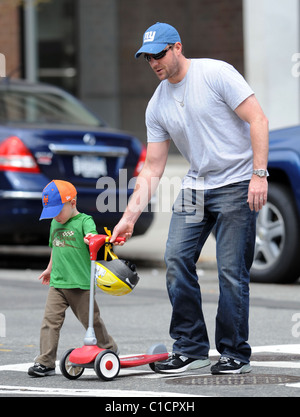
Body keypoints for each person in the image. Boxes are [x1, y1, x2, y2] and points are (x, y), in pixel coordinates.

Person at [110, 22, 269, 374]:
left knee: (231, 272)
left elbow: (257, 119)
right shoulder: (157, 105)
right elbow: (152, 168)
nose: (154, 62)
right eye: (148, 57)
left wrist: (259, 174)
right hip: (197, 187)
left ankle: (233, 353)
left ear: (177, 47)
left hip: (238, 182)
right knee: (176, 259)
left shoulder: (216, 74)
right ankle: (191, 347)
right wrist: (129, 218)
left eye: (160, 54)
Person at [28, 180, 117, 377]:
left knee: (91, 321)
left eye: (58, 211)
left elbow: (92, 236)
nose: (55, 217)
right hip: (58, 283)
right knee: (50, 322)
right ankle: (46, 361)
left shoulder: (84, 221)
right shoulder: (54, 223)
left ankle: (108, 348)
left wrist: (91, 238)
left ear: (73, 203)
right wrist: (49, 269)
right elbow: (55, 248)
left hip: (80, 284)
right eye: (51, 213)